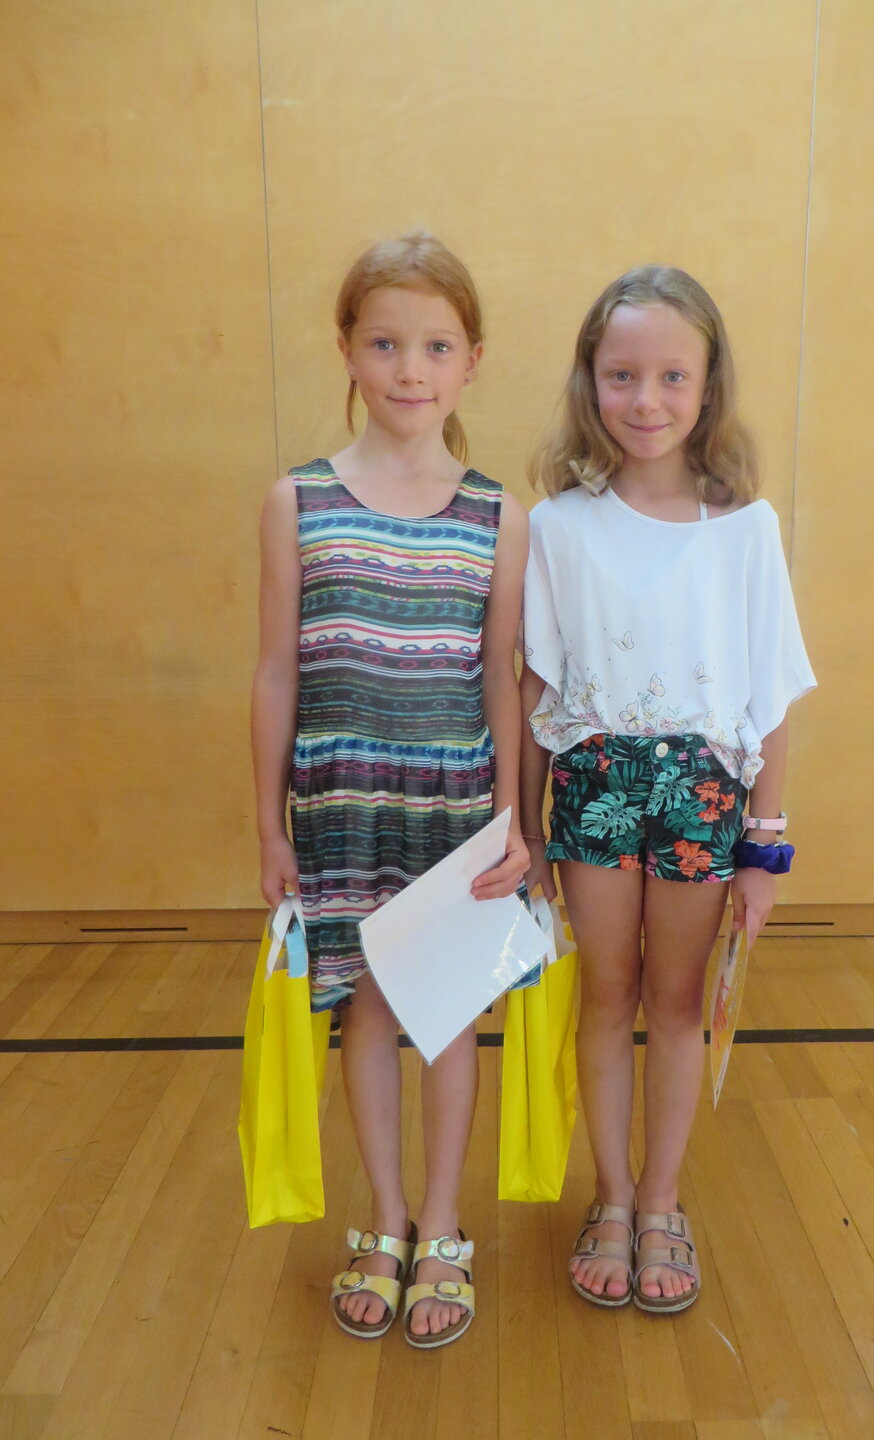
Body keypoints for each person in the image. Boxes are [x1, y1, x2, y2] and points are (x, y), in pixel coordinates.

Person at [251, 232, 528, 1348]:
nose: (411, 370)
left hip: (453, 807)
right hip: (340, 803)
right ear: (347, 349)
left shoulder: (499, 513)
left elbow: (503, 675)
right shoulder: (297, 500)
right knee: (365, 1014)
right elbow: (276, 671)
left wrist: (516, 820)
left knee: (446, 1015)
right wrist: (266, 824)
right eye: (385, 344)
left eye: (437, 347)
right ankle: (385, 1219)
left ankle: (443, 1225)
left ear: (472, 360)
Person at [519, 265, 815, 1314]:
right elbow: (537, 689)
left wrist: (765, 847)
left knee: (677, 1003)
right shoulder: (557, 527)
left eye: (672, 376)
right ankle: (609, 1196)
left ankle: (660, 1201)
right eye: (622, 375)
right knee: (606, 997)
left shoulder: (747, 529)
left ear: (707, 384)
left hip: (704, 794)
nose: (646, 399)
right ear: (590, 381)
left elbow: (770, 696)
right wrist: (523, 829)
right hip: (594, 784)